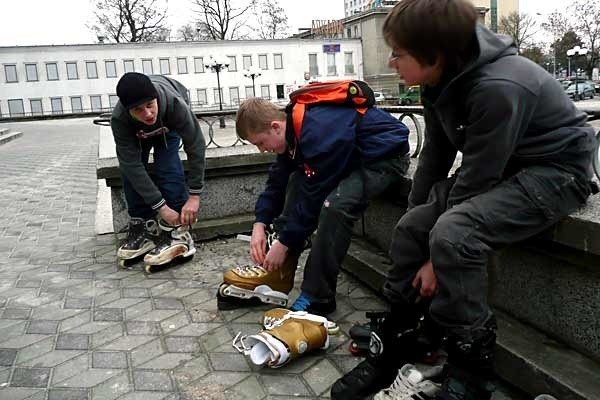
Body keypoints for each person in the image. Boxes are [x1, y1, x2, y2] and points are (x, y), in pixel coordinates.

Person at [331, 0, 596, 399]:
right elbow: (435, 157)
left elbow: (477, 180)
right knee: (411, 228)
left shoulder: (498, 87)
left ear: (434, 54)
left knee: (453, 236)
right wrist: (416, 220)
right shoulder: (441, 81)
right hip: (505, 167)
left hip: (556, 173)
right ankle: (404, 338)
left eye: (398, 53)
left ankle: (471, 373)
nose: (391, 63)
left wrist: (436, 258)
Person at [220, 95, 410, 315]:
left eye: (260, 143)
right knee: (294, 180)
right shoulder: (293, 130)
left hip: (384, 159)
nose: (262, 150)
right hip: (351, 157)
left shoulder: (316, 132)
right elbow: (277, 182)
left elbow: (315, 197)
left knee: (335, 206)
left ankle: (318, 296)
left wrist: (284, 241)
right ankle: (278, 273)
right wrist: (259, 223)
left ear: (275, 127)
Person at [111, 72, 205, 269]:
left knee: (167, 164)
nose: (147, 114)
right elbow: (131, 165)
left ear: (156, 99)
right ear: (128, 110)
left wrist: (194, 195)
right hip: (137, 132)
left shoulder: (175, 104)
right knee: (131, 171)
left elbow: (195, 145)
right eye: (138, 110)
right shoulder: (120, 118)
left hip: (167, 125)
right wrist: (160, 207)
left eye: (149, 105)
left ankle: (178, 233)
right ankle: (145, 227)